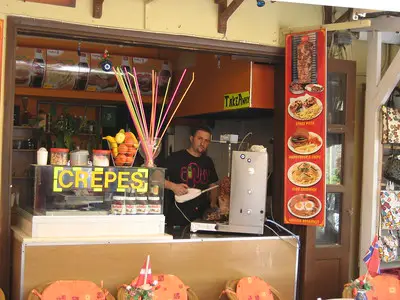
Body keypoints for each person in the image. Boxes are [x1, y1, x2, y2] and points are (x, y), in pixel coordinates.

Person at [163, 125, 219, 226]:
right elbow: (155, 178)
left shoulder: (208, 161)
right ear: (191, 138)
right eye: (200, 139)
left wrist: (213, 204)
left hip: (201, 217)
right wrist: (173, 186)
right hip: (178, 216)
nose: (203, 143)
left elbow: (213, 185)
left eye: (206, 141)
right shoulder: (175, 158)